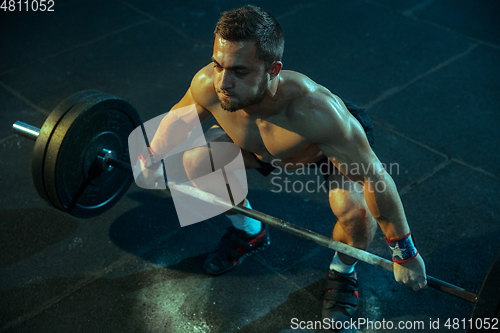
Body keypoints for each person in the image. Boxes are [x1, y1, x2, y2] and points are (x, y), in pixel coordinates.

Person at [136, 5, 427, 326]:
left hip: (319, 150)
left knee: (355, 213)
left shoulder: (318, 112)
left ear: (273, 70)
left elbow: (376, 179)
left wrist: (405, 254)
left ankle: (343, 270)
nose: (223, 82)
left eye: (239, 71)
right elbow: (179, 119)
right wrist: (152, 156)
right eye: (218, 65)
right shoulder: (209, 84)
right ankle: (249, 232)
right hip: (257, 147)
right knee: (196, 161)